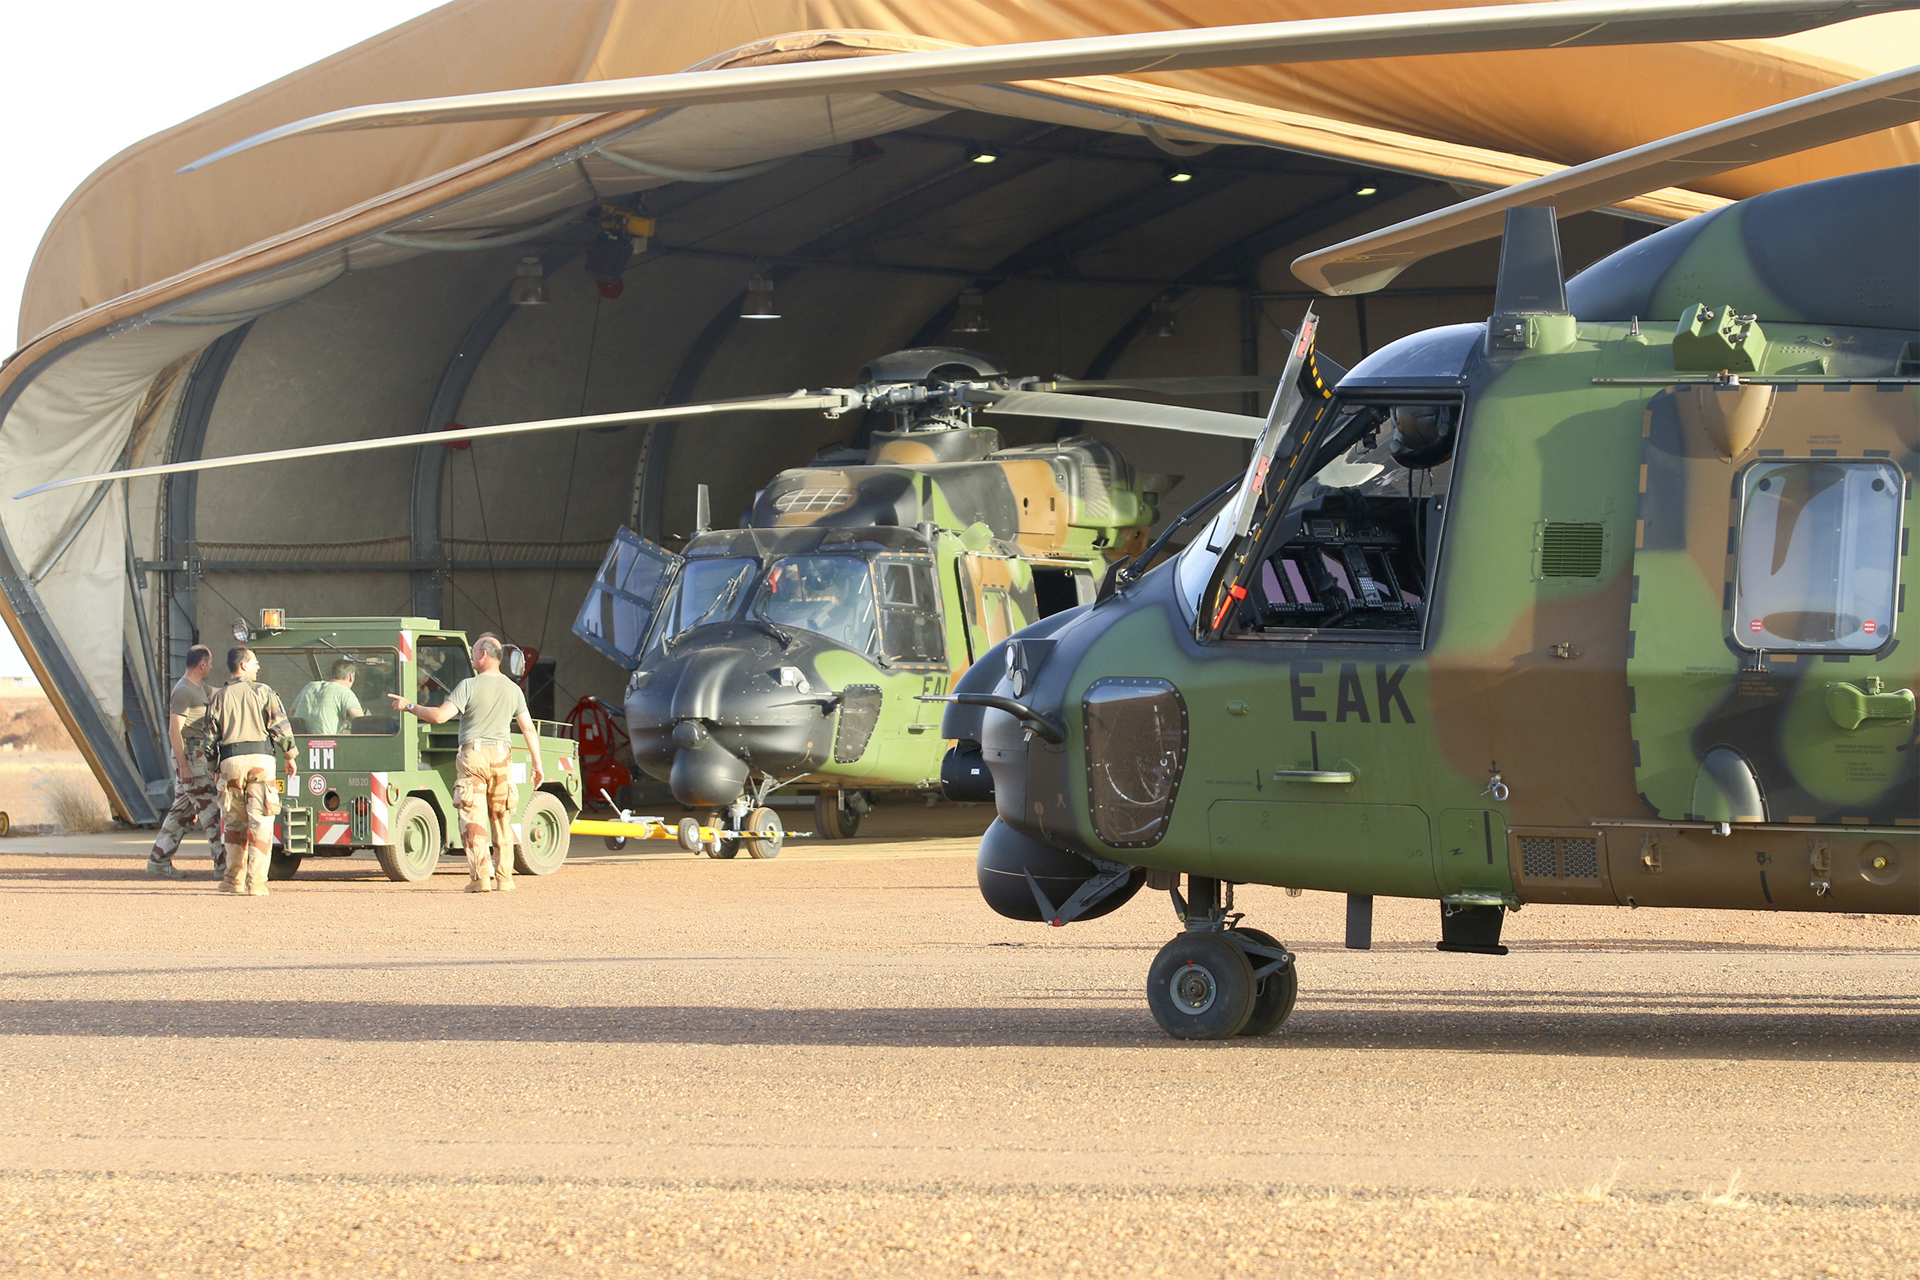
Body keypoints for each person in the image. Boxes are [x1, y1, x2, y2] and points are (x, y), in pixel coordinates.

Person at [390, 635, 544, 892]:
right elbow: (528, 728)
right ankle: (505, 878)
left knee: (473, 817)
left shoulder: (468, 686)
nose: (472, 655)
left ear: (484, 655)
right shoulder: (513, 689)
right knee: (502, 816)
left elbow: (439, 716)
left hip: (473, 756)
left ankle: (481, 877)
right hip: (502, 757)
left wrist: (410, 706)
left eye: (474, 651)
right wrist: (538, 765)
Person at [204, 647, 297, 897]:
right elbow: (280, 727)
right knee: (261, 822)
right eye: (255, 662)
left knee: (233, 824)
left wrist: (213, 768)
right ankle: (256, 883)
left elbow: (209, 739)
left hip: (230, 762)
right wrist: (290, 756)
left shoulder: (219, 697)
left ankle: (232, 880)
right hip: (261, 761)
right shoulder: (264, 692)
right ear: (243, 665)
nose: (258, 667)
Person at [145, 645, 221, 879]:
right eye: (209, 663)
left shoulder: (200, 687)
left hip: (196, 755)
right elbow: (173, 731)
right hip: (190, 756)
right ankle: (225, 866)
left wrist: (241, 688)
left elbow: (217, 692)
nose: (211, 667)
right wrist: (184, 766)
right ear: (202, 665)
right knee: (211, 811)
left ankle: (159, 859)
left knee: (182, 812)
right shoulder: (183, 691)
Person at [292, 659, 365, 734]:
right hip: (326, 743)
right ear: (350, 677)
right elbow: (361, 721)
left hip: (299, 741)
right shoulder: (345, 692)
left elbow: (292, 712)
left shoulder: (310, 686)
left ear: (330, 675)